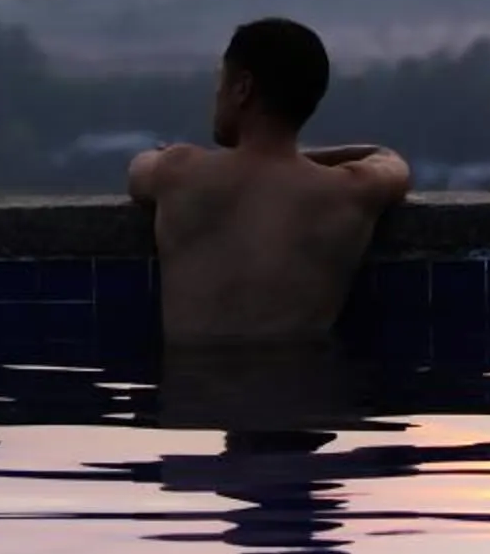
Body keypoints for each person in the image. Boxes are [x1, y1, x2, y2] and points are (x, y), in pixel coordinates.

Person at [127, 17, 412, 344]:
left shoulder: (180, 173)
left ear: (242, 88)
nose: (216, 93)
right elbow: (391, 161)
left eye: (220, 81)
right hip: (302, 389)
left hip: (196, 389)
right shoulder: (349, 192)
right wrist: (303, 160)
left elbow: (139, 168)